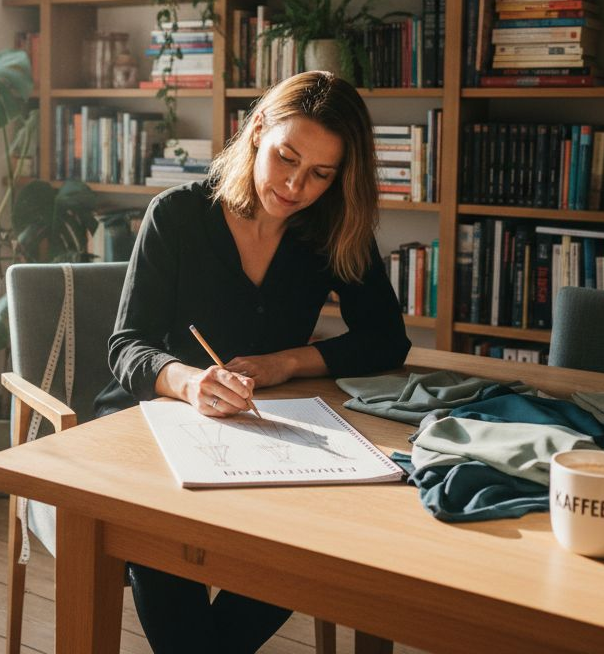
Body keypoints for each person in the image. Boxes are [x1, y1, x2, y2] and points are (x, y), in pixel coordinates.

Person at [93, 70, 411, 653]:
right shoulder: (178, 215)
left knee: (321, 543)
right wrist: (191, 383)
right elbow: (127, 344)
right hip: (153, 425)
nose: (295, 185)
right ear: (257, 129)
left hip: (266, 433)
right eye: (285, 157)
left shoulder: (332, 228)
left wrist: (286, 364)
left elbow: (387, 338)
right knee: (164, 552)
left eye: (321, 173)